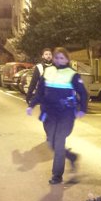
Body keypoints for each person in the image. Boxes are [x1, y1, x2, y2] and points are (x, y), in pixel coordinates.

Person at [26, 47, 88, 184]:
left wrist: (82, 109)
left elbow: (83, 93)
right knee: (51, 142)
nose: (59, 60)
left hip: (65, 114)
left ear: (67, 59)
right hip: (49, 113)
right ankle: (71, 157)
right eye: (57, 57)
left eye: (62, 58)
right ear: (53, 58)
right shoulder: (48, 72)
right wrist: (31, 104)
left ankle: (57, 175)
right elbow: (40, 92)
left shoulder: (73, 74)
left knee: (59, 142)